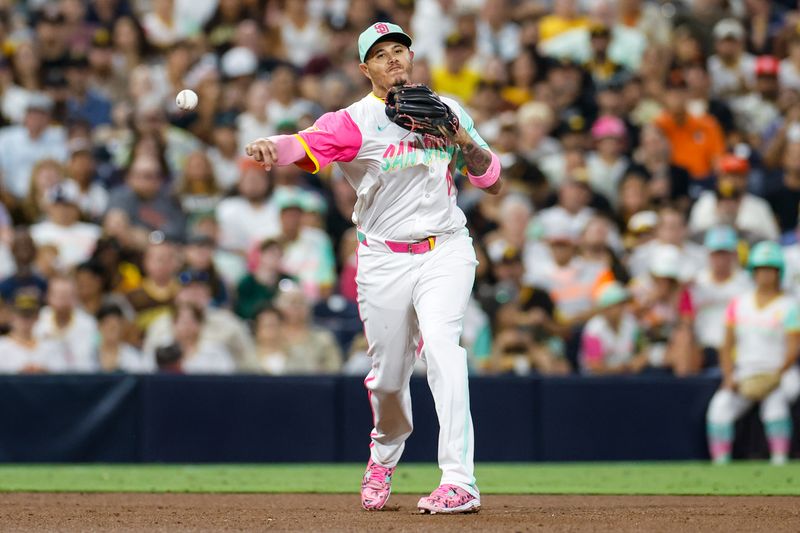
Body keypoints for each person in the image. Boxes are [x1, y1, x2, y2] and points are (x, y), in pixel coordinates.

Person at [244, 22, 501, 514]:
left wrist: (464, 139)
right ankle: (383, 455)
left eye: (398, 50)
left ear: (411, 55)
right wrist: (270, 148)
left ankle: (459, 481)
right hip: (383, 258)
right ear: (366, 69)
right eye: (380, 55)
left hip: (446, 247)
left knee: (446, 351)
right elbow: (301, 143)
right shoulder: (353, 121)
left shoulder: (446, 110)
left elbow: (492, 180)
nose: (393, 59)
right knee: (388, 379)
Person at [706, 241, 800, 465]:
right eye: (760, 269)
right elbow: (726, 345)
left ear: (778, 273)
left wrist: (776, 374)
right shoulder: (738, 303)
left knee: (775, 405)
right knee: (720, 407)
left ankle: (779, 461)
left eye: (770, 269)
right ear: (753, 273)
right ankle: (720, 464)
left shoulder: (790, 306)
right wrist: (728, 376)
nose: (765, 275)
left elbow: (793, 346)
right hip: (746, 370)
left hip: (780, 371)